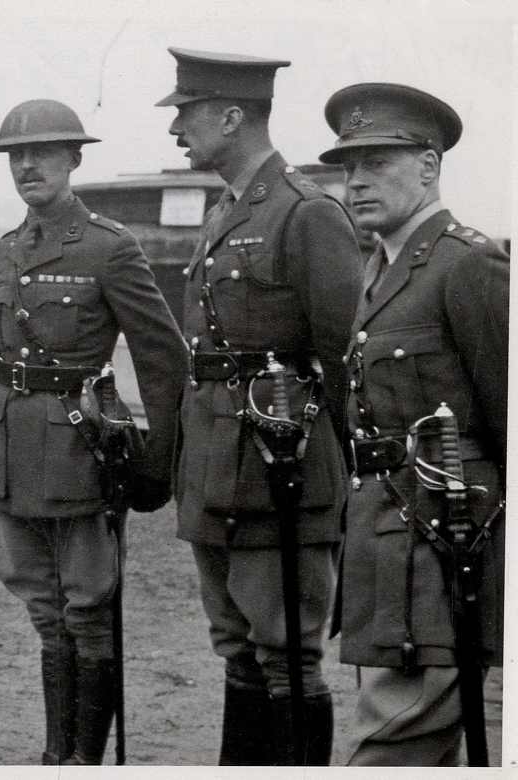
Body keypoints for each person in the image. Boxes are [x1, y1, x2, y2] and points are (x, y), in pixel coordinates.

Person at [0, 99, 188, 765]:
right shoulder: (7, 249)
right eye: (16, 155)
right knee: (44, 609)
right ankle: (54, 753)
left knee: (87, 610)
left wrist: (158, 461)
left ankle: (83, 762)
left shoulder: (109, 247)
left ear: (74, 159)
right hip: (13, 448)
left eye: (43, 153)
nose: (27, 166)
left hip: (80, 449)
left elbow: (162, 356)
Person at [157, 48, 362, 765]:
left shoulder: (306, 213)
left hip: (283, 467)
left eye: (186, 114)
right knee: (237, 646)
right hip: (217, 467)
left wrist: (340, 476)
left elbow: (344, 358)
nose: (176, 130)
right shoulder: (227, 210)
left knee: (287, 655)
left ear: (231, 116)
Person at [319, 83, 507, 766]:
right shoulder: (380, 268)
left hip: (445, 546)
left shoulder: (466, 263)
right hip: (386, 544)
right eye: (349, 166)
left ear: (429, 166)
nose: (356, 181)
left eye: (376, 163)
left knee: (393, 747)